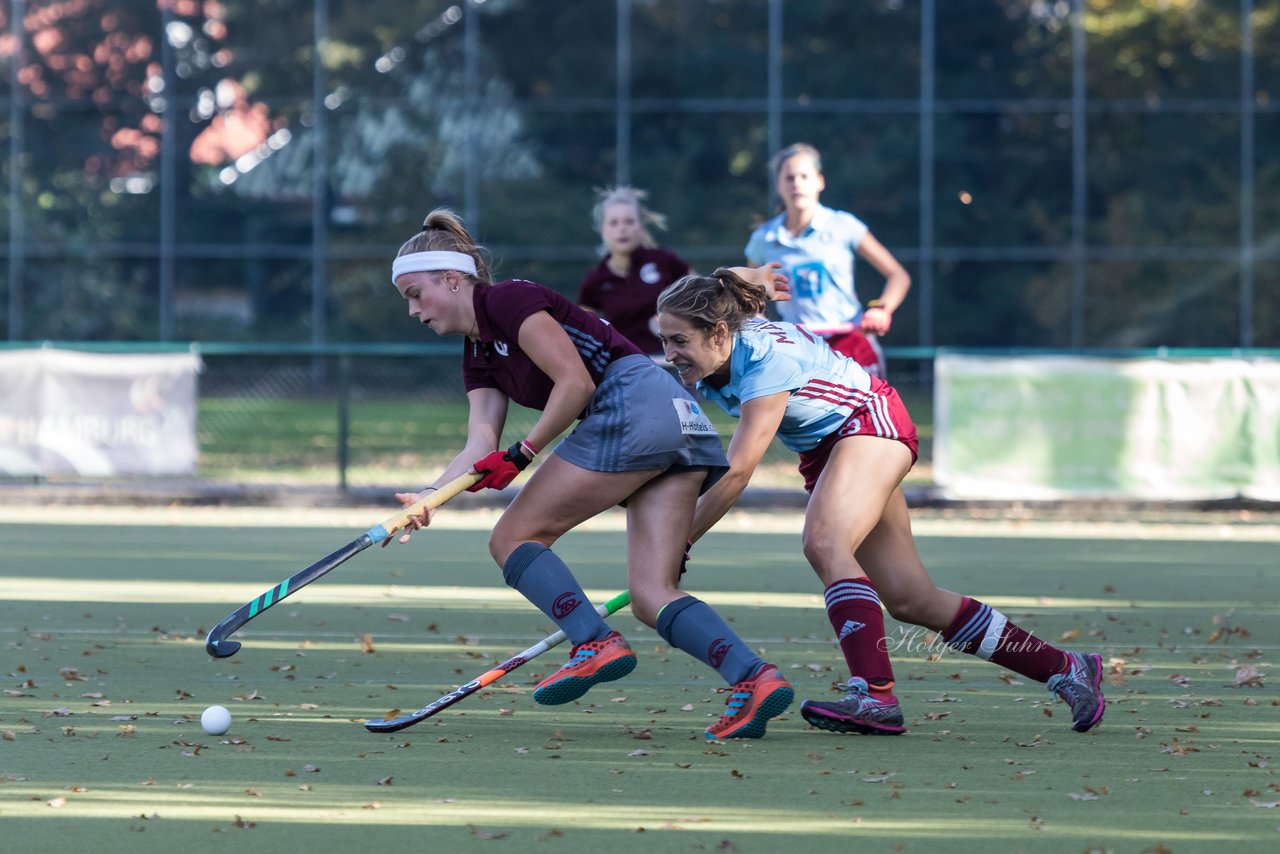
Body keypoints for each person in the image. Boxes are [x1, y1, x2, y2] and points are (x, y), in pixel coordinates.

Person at [386, 209, 793, 741]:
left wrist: (526, 451)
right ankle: (754, 678)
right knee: (651, 594)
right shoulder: (478, 353)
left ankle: (593, 642)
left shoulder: (507, 300)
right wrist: (429, 498)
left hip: (633, 403)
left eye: (416, 294)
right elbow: (479, 443)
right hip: (677, 419)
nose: (414, 311)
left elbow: (574, 383)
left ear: (453, 278)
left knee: (514, 536)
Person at [655, 267, 1105, 736]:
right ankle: (1067, 667)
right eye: (665, 340)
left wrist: (679, 541)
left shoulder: (765, 361)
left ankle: (873, 695)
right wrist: (743, 275)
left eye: (678, 341)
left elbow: (740, 470)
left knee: (825, 543)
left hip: (866, 423)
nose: (670, 353)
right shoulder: (721, 342)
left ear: (720, 331)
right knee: (911, 598)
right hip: (832, 447)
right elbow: (721, 286)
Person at [745, 142, 910, 379]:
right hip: (797, 350)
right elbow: (748, 297)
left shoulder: (844, 225)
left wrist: (881, 310)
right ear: (779, 185)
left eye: (804, 176)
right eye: (790, 177)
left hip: (853, 345)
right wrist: (759, 323)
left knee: (868, 416)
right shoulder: (764, 238)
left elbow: (898, 276)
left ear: (820, 181)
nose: (797, 184)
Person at [578, 186, 689, 355]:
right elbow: (584, 330)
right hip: (624, 365)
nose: (622, 228)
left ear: (641, 226)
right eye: (614, 223)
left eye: (629, 221)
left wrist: (672, 317)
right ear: (602, 230)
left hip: (672, 360)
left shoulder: (665, 261)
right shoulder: (595, 280)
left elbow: (701, 296)